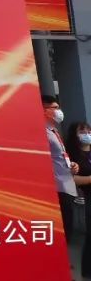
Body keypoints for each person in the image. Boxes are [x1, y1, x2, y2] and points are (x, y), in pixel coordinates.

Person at [45, 95, 79, 244]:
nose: (59, 111)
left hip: (66, 183)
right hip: (58, 186)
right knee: (63, 229)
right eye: (55, 108)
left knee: (68, 227)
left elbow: (59, 156)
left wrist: (72, 164)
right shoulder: (43, 132)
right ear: (44, 110)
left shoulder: (54, 131)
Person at [67, 121, 91, 279]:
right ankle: (87, 272)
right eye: (82, 131)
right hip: (86, 197)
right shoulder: (73, 156)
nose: (87, 134)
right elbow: (72, 179)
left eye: (89, 131)